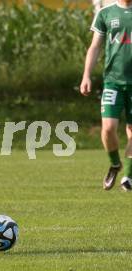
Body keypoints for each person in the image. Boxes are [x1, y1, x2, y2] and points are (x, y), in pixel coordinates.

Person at [80, 0, 132, 191]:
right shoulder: (105, 13)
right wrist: (86, 75)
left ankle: (128, 176)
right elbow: (95, 47)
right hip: (113, 82)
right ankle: (115, 164)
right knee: (109, 128)